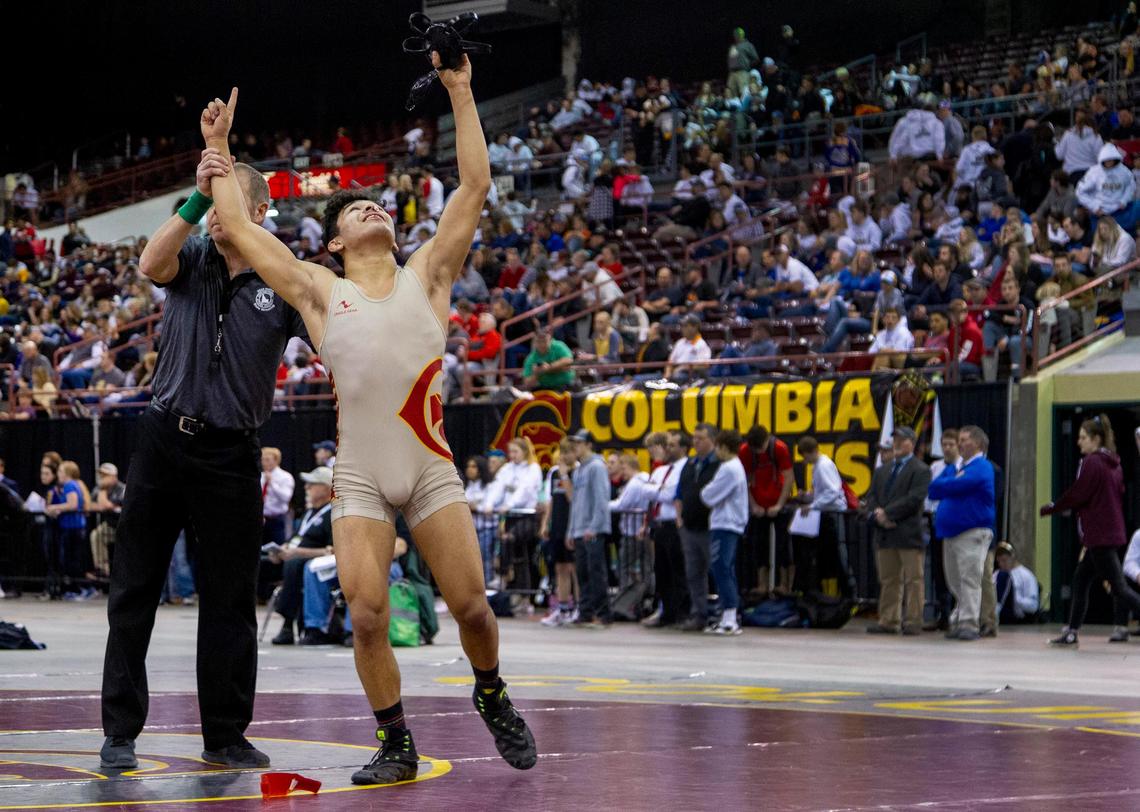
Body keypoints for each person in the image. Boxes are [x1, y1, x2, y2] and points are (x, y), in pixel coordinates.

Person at [204, 55, 536, 784]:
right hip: (358, 475)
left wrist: (460, 89)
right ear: (333, 242)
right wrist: (220, 149)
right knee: (366, 614)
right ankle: (395, 741)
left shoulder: (430, 275)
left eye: (378, 207)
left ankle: (491, 691)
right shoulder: (319, 292)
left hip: (430, 466)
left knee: (473, 609)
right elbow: (243, 232)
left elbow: (475, 185)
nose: (374, 210)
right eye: (356, 211)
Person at [1043, 414, 1140, 646]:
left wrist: (1053, 507)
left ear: (1096, 439)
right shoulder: (1113, 463)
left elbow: (1079, 494)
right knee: (1081, 580)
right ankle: (1071, 632)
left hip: (1099, 535)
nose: (1079, 442)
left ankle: (1072, 632)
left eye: (1083, 437)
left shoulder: (1092, 463)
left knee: (1119, 587)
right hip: (1107, 532)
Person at [928, 425, 996, 641]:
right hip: (950, 533)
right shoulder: (957, 467)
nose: (960, 444)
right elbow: (934, 488)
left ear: (977, 443)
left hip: (971, 531)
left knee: (970, 578)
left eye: (964, 440)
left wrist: (952, 484)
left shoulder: (982, 466)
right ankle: (960, 619)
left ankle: (970, 623)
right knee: (954, 580)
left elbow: (964, 484)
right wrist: (954, 482)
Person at [862, 428, 931, 636]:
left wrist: (888, 513)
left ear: (912, 443)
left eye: (902, 440)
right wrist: (877, 515)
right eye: (895, 440)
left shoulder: (920, 469)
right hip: (885, 534)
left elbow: (914, 498)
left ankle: (913, 620)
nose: (897, 443)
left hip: (907, 532)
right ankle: (889, 620)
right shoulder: (882, 470)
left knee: (913, 579)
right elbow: (872, 496)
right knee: (889, 579)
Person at [268, 467, 335, 645]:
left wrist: (297, 552)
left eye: (312, 484)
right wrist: (282, 550)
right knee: (269, 561)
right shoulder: (309, 512)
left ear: (326, 488)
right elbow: (296, 538)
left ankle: (288, 624)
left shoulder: (333, 514)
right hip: (295, 560)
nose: (307, 487)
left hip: (320, 563)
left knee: (296, 565)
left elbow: (333, 550)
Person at [700, 430, 748, 635]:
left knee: (721, 568)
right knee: (725, 569)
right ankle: (728, 615)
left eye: (717, 447)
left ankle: (729, 619)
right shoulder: (735, 467)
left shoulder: (729, 469)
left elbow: (708, 495)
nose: (716, 452)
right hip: (728, 523)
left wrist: (706, 491)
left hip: (725, 524)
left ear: (724, 447)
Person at [674, 423, 721, 632]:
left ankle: (723, 614)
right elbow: (679, 493)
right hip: (689, 527)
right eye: (694, 438)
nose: (696, 442)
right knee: (694, 573)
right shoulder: (690, 463)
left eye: (701, 438)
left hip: (710, 526)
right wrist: (679, 518)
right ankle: (699, 614)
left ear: (712, 440)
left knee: (718, 571)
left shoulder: (719, 463)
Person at [739, 425, 794, 598]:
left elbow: (789, 477)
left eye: (761, 448)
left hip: (778, 503)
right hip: (759, 505)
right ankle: (762, 584)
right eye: (755, 449)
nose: (759, 452)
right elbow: (743, 480)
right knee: (759, 545)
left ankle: (784, 584)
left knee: (783, 545)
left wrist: (779, 505)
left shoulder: (779, 448)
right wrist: (753, 505)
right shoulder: (745, 451)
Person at [566, 430, 612, 627]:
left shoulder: (597, 467)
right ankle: (585, 612)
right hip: (579, 528)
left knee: (596, 572)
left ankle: (603, 614)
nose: (575, 447)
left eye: (579, 443)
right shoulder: (579, 470)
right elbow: (575, 503)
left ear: (589, 445)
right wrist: (571, 530)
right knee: (583, 573)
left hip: (593, 529)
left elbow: (602, 499)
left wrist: (594, 526)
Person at [539, 439, 577, 626]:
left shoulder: (578, 471)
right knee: (560, 567)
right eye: (563, 452)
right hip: (557, 525)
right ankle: (562, 608)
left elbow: (573, 498)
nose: (564, 456)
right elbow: (551, 499)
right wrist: (545, 523)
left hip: (573, 525)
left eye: (568, 452)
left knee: (574, 568)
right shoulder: (553, 472)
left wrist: (565, 476)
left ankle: (578, 607)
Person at [924, 429, 959, 631]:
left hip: (954, 522)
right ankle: (942, 613)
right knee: (939, 569)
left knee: (955, 569)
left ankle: (957, 612)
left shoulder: (961, 466)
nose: (947, 448)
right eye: (944, 444)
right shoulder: (935, 467)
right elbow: (929, 494)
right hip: (936, 520)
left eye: (951, 445)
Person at [44, 461, 93, 600]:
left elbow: (73, 504)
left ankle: (81, 589)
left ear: (67, 473)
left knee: (73, 561)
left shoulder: (70, 485)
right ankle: (79, 588)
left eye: (60, 471)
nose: (58, 474)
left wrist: (54, 507)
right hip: (72, 527)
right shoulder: (75, 485)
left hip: (73, 528)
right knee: (72, 560)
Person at [90, 462, 126, 578]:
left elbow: (105, 506)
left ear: (114, 476)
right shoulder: (98, 489)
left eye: (105, 475)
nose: (102, 478)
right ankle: (103, 570)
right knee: (96, 535)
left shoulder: (122, 489)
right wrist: (105, 505)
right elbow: (89, 505)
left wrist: (103, 493)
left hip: (124, 526)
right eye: (101, 475)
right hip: (110, 525)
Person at [993, 542, 1039, 625]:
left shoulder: (1026, 575)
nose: (1001, 564)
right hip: (1001, 615)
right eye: (999, 561)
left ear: (1012, 557)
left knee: (1004, 577)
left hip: (1016, 617)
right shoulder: (996, 574)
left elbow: (1033, 606)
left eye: (1004, 560)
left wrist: (1016, 599)